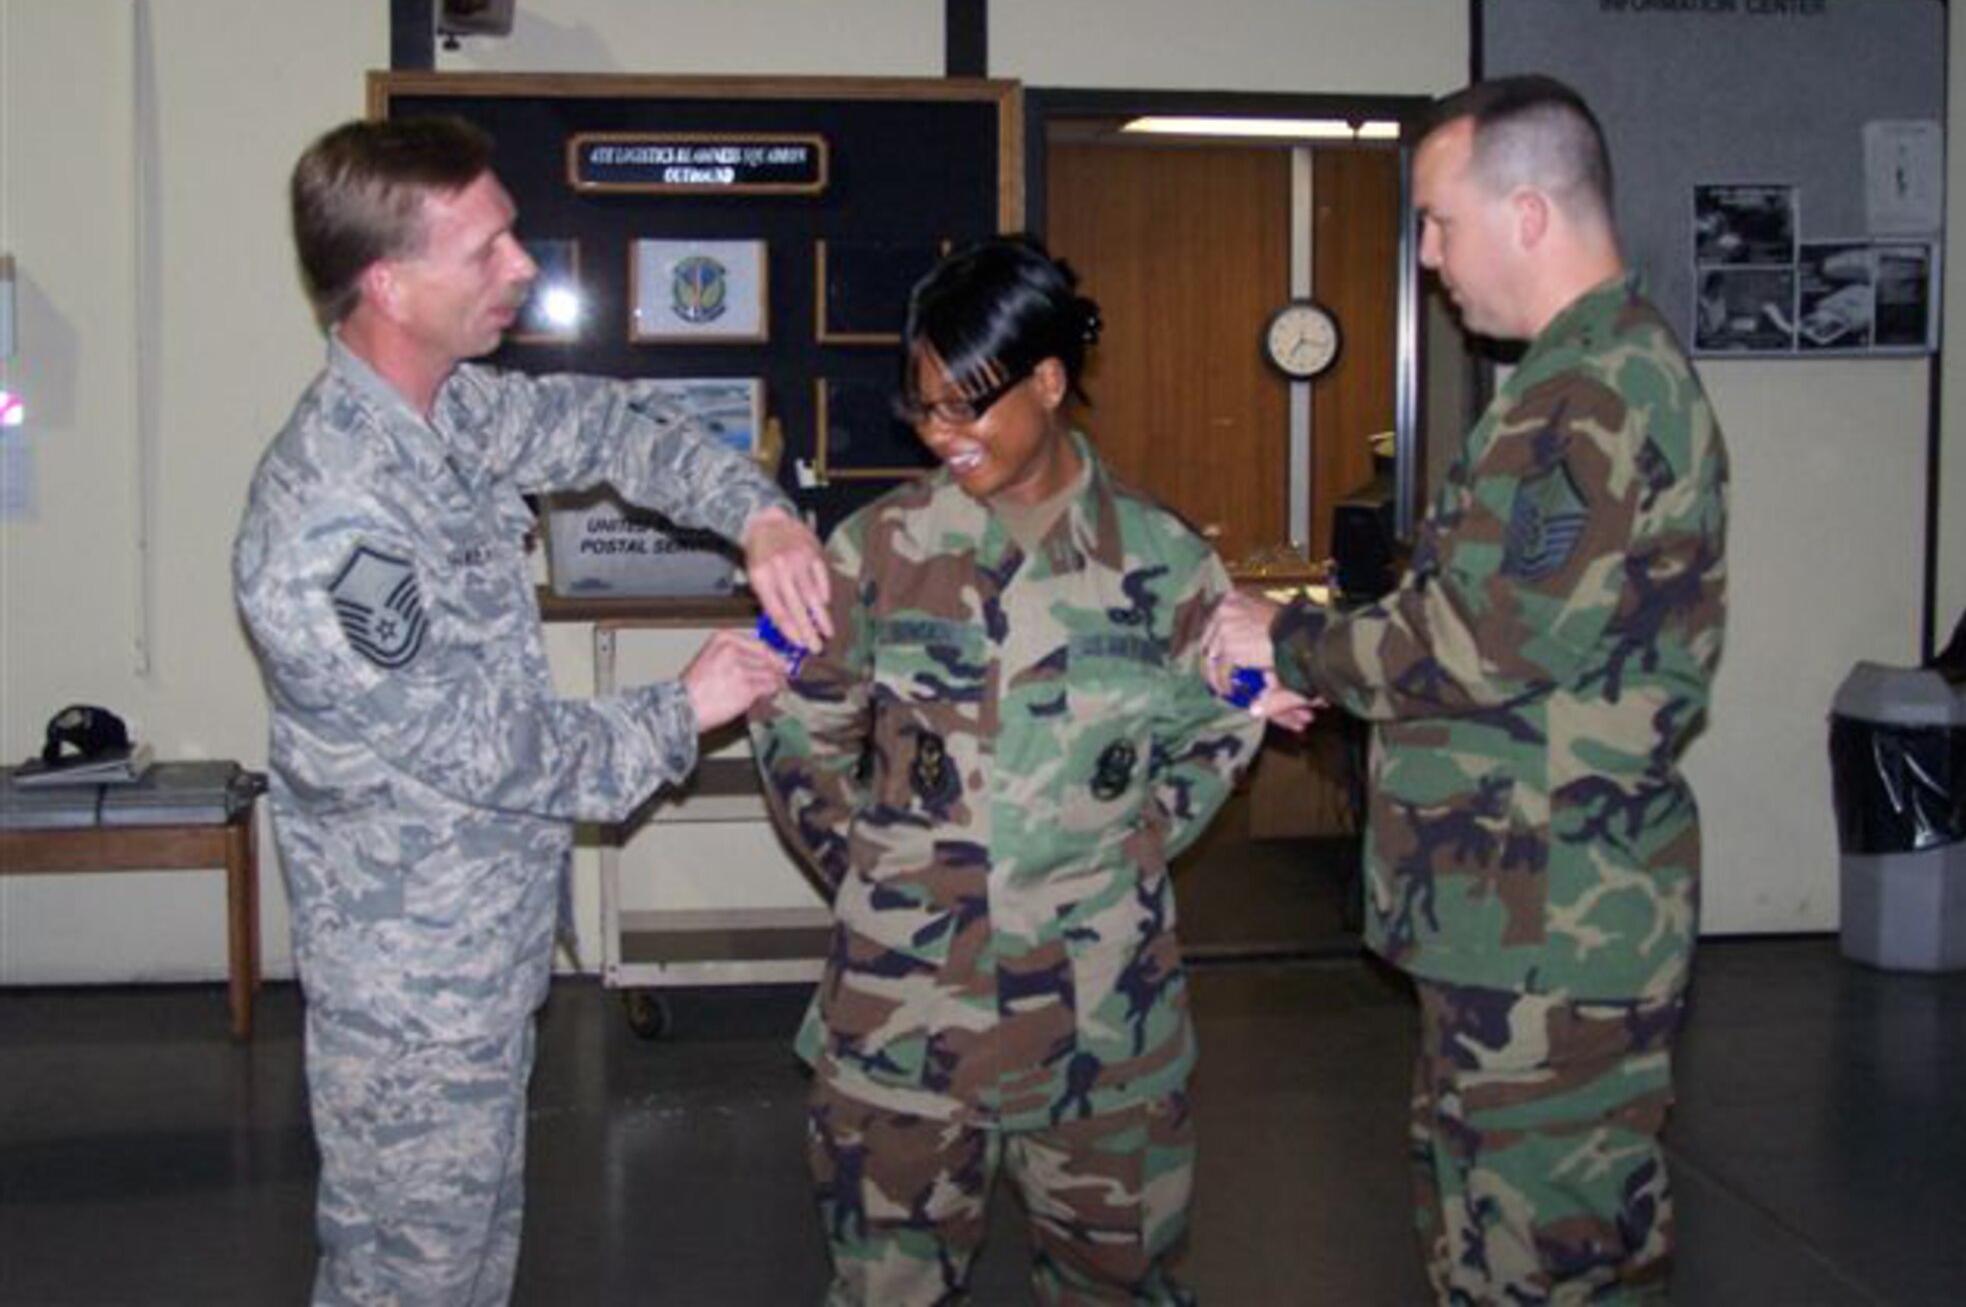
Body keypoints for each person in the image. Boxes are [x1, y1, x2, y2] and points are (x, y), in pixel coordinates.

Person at [233, 114, 830, 1307]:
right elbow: (486, 751)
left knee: (466, 1256)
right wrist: (686, 707)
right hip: (413, 991)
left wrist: (754, 512)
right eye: (489, 248)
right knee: (411, 1273)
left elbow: (607, 425)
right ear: (390, 285)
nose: (522, 269)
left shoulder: (445, 417)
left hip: (479, 949)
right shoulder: (330, 521)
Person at [1203, 75, 1728, 1304]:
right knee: (1487, 1232)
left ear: (1529, 212)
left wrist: (1283, 640)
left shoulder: (1586, 398)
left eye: (1438, 221)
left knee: (1543, 1255)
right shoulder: (1570, 380)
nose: (1428, 258)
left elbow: (1473, 641)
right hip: (1512, 911)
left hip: (1551, 924)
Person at [750, 237, 1265, 1304]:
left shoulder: (1166, 564)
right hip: (902, 1031)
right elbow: (792, 725)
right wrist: (876, 865)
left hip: (1103, 1037)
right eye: (923, 408)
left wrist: (1122, 850)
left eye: (966, 407)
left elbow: (1223, 720)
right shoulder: (870, 553)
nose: (943, 435)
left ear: (1047, 383)